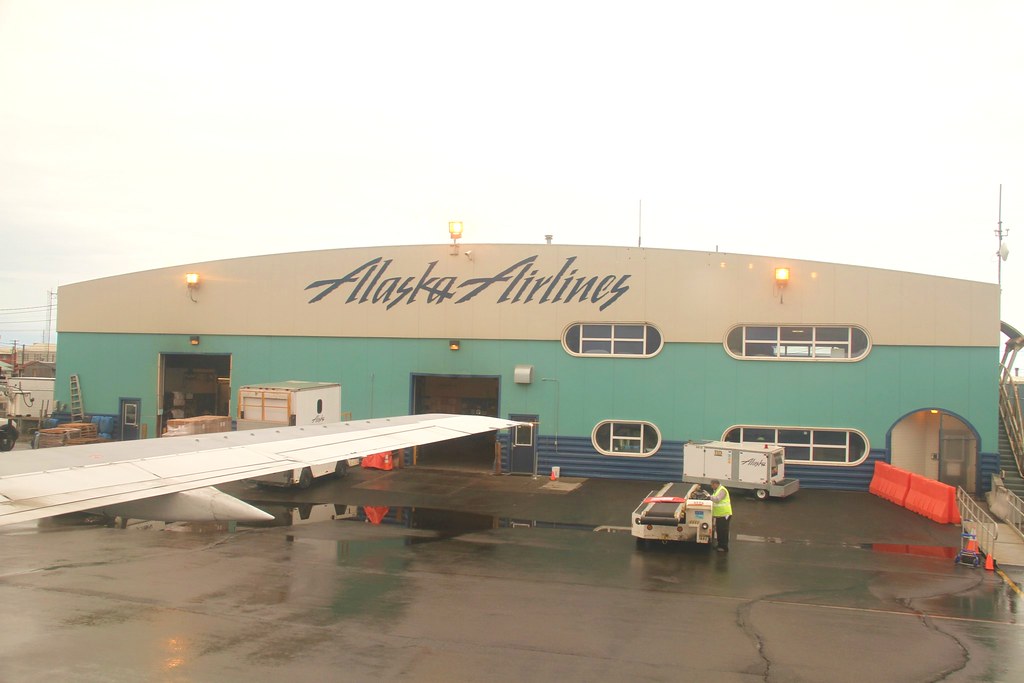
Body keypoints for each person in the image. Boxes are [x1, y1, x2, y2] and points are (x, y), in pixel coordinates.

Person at [709, 479, 732, 552]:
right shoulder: (717, 490)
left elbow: (717, 499)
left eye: (712, 485)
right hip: (719, 515)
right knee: (719, 530)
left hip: (724, 514)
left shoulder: (722, 490)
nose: (711, 486)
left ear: (715, 484)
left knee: (723, 531)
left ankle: (724, 547)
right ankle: (719, 545)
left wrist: (709, 497)